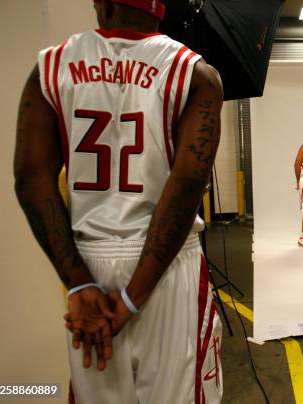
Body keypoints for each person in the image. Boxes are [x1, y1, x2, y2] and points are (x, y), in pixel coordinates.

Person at [13, 0, 224, 402]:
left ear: (102, 4)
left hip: (90, 261)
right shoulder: (196, 74)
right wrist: (131, 298)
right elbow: (185, 192)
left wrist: (78, 283)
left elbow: (30, 180)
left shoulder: (51, 68)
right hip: (166, 268)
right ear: (159, 8)